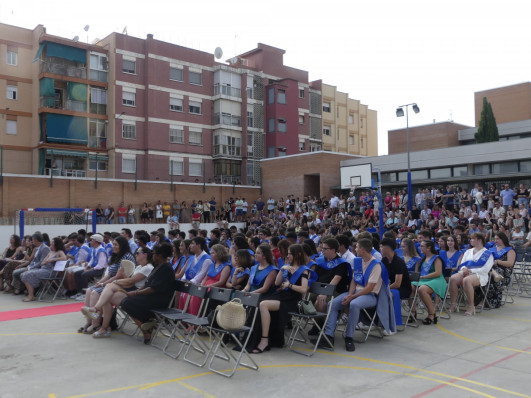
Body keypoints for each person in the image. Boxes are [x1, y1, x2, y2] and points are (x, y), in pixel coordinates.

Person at [317, 238, 392, 352]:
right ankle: (329, 336)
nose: (354, 249)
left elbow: (370, 288)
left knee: (354, 304)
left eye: (356, 247)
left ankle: (349, 337)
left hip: (369, 295)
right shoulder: (358, 261)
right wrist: (350, 294)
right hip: (354, 293)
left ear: (362, 249)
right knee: (332, 303)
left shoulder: (376, 265)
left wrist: (352, 297)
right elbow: (354, 280)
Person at [81, 247, 154, 338]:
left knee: (108, 288)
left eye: (137, 253)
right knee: (107, 297)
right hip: (131, 290)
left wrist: (116, 281)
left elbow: (131, 281)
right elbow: (128, 281)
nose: (135, 254)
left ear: (145, 254)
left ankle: (97, 313)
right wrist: (120, 277)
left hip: (137, 294)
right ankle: (104, 327)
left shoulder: (148, 268)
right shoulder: (139, 267)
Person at [252, 244, 313, 353]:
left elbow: (304, 290)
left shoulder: (304, 270)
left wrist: (289, 285)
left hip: (293, 300)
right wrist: (282, 269)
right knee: (260, 302)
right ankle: (260, 338)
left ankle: (264, 340)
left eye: (290, 253)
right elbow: (277, 283)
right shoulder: (287, 267)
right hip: (283, 296)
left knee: (263, 304)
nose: (287, 255)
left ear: (298, 254)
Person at [120, 243, 175, 344]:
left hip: (159, 300)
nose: (152, 256)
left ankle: (146, 326)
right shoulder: (158, 266)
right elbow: (147, 284)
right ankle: (147, 323)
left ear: (159, 255)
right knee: (125, 302)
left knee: (127, 303)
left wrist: (136, 293)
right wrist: (137, 291)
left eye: (154, 254)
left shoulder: (166, 268)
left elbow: (153, 288)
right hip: (152, 297)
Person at [81, 236, 135, 333]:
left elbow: (119, 276)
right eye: (113, 244)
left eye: (116, 245)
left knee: (95, 293)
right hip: (111, 282)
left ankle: (96, 324)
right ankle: (89, 322)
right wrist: (100, 282)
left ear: (122, 246)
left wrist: (103, 284)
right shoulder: (116, 256)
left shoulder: (127, 256)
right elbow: (110, 274)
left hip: (120, 284)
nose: (113, 246)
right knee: (89, 290)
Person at [448, 233, 494, 316]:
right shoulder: (468, 251)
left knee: (466, 280)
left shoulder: (488, 253)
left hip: (480, 274)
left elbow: (486, 269)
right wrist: (464, 269)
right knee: (453, 279)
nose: (470, 240)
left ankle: (471, 306)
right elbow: (462, 264)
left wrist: (470, 271)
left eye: (472, 239)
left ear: (479, 240)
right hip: (466, 272)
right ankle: (453, 303)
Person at [410, 240, 446, 325]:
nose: (420, 248)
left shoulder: (436, 258)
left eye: (422, 246)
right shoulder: (423, 258)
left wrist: (423, 277)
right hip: (425, 279)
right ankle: (413, 312)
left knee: (422, 289)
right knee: (411, 286)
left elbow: (438, 273)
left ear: (429, 248)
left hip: (437, 279)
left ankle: (431, 314)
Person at [21, 237, 66, 302]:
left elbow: (64, 258)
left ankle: (31, 295)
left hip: (50, 271)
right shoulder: (50, 252)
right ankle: (31, 294)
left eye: (52, 243)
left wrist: (52, 259)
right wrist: (46, 261)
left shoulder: (59, 252)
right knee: (24, 274)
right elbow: (42, 263)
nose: (51, 244)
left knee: (27, 274)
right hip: (44, 269)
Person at [381, 238, 411, 327]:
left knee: (387, 295)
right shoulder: (384, 260)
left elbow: (398, 284)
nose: (380, 249)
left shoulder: (398, 262)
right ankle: (377, 320)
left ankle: (391, 322)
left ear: (387, 248)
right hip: (390, 286)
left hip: (402, 289)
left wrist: (384, 289)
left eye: (382, 247)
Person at [485, 232, 516, 308]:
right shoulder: (492, 249)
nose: (495, 240)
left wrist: (498, 261)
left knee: (496, 273)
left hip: (504, 272)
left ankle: (492, 301)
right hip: (491, 269)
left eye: (497, 239)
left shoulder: (510, 250)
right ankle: (483, 300)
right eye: (495, 239)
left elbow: (510, 263)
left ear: (503, 239)